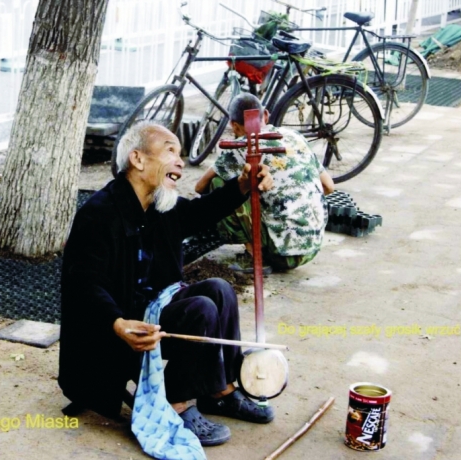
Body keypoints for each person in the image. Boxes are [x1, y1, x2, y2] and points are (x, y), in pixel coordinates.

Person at [58, 120, 275, 452]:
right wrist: (117, 323)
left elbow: (203, 211)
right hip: (119, 327)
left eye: (180, 153)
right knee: (199, 308)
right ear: (138, 159)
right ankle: (177, 403)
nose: (180, 161)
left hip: (154, 309)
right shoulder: (98, 214)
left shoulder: (161, 204)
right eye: (170, 151)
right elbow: (84, 283)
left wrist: (243, 185)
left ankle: (220, 389)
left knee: (219, 289)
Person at [195, 93, 334, 272]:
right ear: (266, 115)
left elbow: (201, 187)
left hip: (278, 253)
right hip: (312, 248)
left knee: (218, 183)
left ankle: (253, 255)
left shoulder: (239, 147)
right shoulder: (295, 137)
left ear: (234, 125)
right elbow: (329, 186)